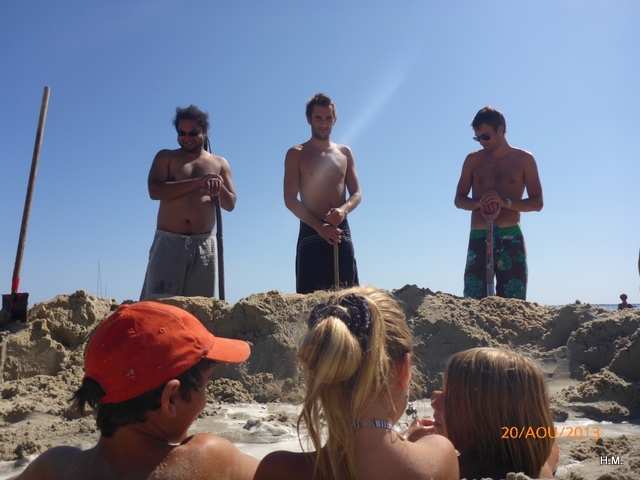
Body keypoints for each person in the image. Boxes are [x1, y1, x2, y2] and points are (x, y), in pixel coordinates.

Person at [10, 301, 257, 480]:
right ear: (170, 399)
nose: (205, 401)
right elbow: (280, 469)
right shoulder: (209, 459)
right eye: (205, 386)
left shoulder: (53, 468)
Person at [254, 286, 459, 480]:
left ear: (317, 372)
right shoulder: (439, 457)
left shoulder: (278, 470)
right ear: (404, 370)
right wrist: (402, 440)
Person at [411, 348, 558, 479]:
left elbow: (403, 466)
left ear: (486, 423)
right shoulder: (542, 462)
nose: (434, 401)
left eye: (451, 399)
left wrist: (409, 442)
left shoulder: (450, 471)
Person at [140, 105, 236, 300]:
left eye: (193, 133)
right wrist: (198, 182)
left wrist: (218, 187)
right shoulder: (166, 157)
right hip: (169, 243)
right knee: (159, 305)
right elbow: (155, 191)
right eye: (182, 133)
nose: (187, 137)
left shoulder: (220, 163)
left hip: (204, 246)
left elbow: (230, 204)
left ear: (205, 131)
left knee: (199, 308)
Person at [455, 106, 543, 300]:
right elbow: (459, 200)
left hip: (510, 238)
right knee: (473, 300)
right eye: (478, 138)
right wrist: (480, 203)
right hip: (479, 237)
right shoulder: (473, 160)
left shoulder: (524, 159)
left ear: (500, 129)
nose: (482, 142)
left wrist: (505, 203)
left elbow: (537, 203)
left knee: (514, 302)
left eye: (486, 136)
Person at [284, 93, 362, 294]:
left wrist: (343, 211)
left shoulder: (344, 153)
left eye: (328, 118)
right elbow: (290, 199)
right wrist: (319, 227)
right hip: (311, 230)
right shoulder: (296, 153)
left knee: (349, 296)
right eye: (318, 118)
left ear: (335, 120)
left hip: (340, 229)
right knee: (311, 299)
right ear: (309, 119)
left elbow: (356, 194)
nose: (323, 123)